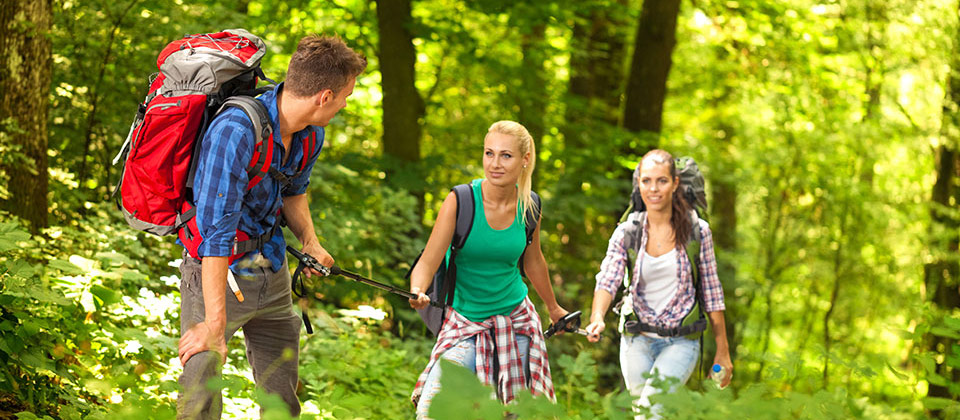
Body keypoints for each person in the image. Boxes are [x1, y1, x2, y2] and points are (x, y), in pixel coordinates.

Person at [175, 35, 366, 419]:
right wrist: (214, 324)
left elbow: (294, 191)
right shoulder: (236, 130)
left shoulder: (311, 133)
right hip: (219, 274)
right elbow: (216, 234)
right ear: (324, 97)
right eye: (345, 96)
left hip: (271, 268)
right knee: (200, 397)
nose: (346, 104)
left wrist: (309, 242)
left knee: (281, 396)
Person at [408, 121, 569, 419]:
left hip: (518, 323)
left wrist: (554, 307)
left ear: (525, 160)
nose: (495, 164)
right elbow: (428, 261)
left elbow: (534, 262)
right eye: (489, 153)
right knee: (432, 411)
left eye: (506, 156)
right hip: (465, 324)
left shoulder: (529, 206)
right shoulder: (461, 201)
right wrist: (418, 289)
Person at [584, 149, 732, 419]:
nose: (653, 189)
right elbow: (609, 278)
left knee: (652, 412)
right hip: (635, 341)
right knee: (646, 415)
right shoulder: (628, 231)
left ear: (675, 184)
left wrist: (722, 351)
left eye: (662, 181)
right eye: (646, 181)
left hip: (682, 342)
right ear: (638, 183)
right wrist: (597, 317)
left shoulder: (698, 232)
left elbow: (712, 293)